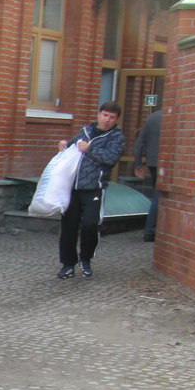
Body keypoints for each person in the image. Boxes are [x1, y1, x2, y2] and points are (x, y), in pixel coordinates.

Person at [56, 100, 125, 279]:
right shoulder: (86, 131)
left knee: (90, 224)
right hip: (73, 187)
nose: (107, 119)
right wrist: (64, 145)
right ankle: (67, 264)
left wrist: (90, 149)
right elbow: (72, 147)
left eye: (112, 117)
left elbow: (111, 158)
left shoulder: (116, 137)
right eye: (105, 115)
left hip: (94, 187)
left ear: (116, 119)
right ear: (99, 114)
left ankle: (86, 258)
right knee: (68, 226)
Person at [133, 108, 162, 242]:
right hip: (166, 162)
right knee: (159, 195)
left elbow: (139, 142)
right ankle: (150, 230)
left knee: (157, 194)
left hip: (152, 162)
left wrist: (138, 164)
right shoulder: (175, 115)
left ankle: (150, 230)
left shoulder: (152, 117)